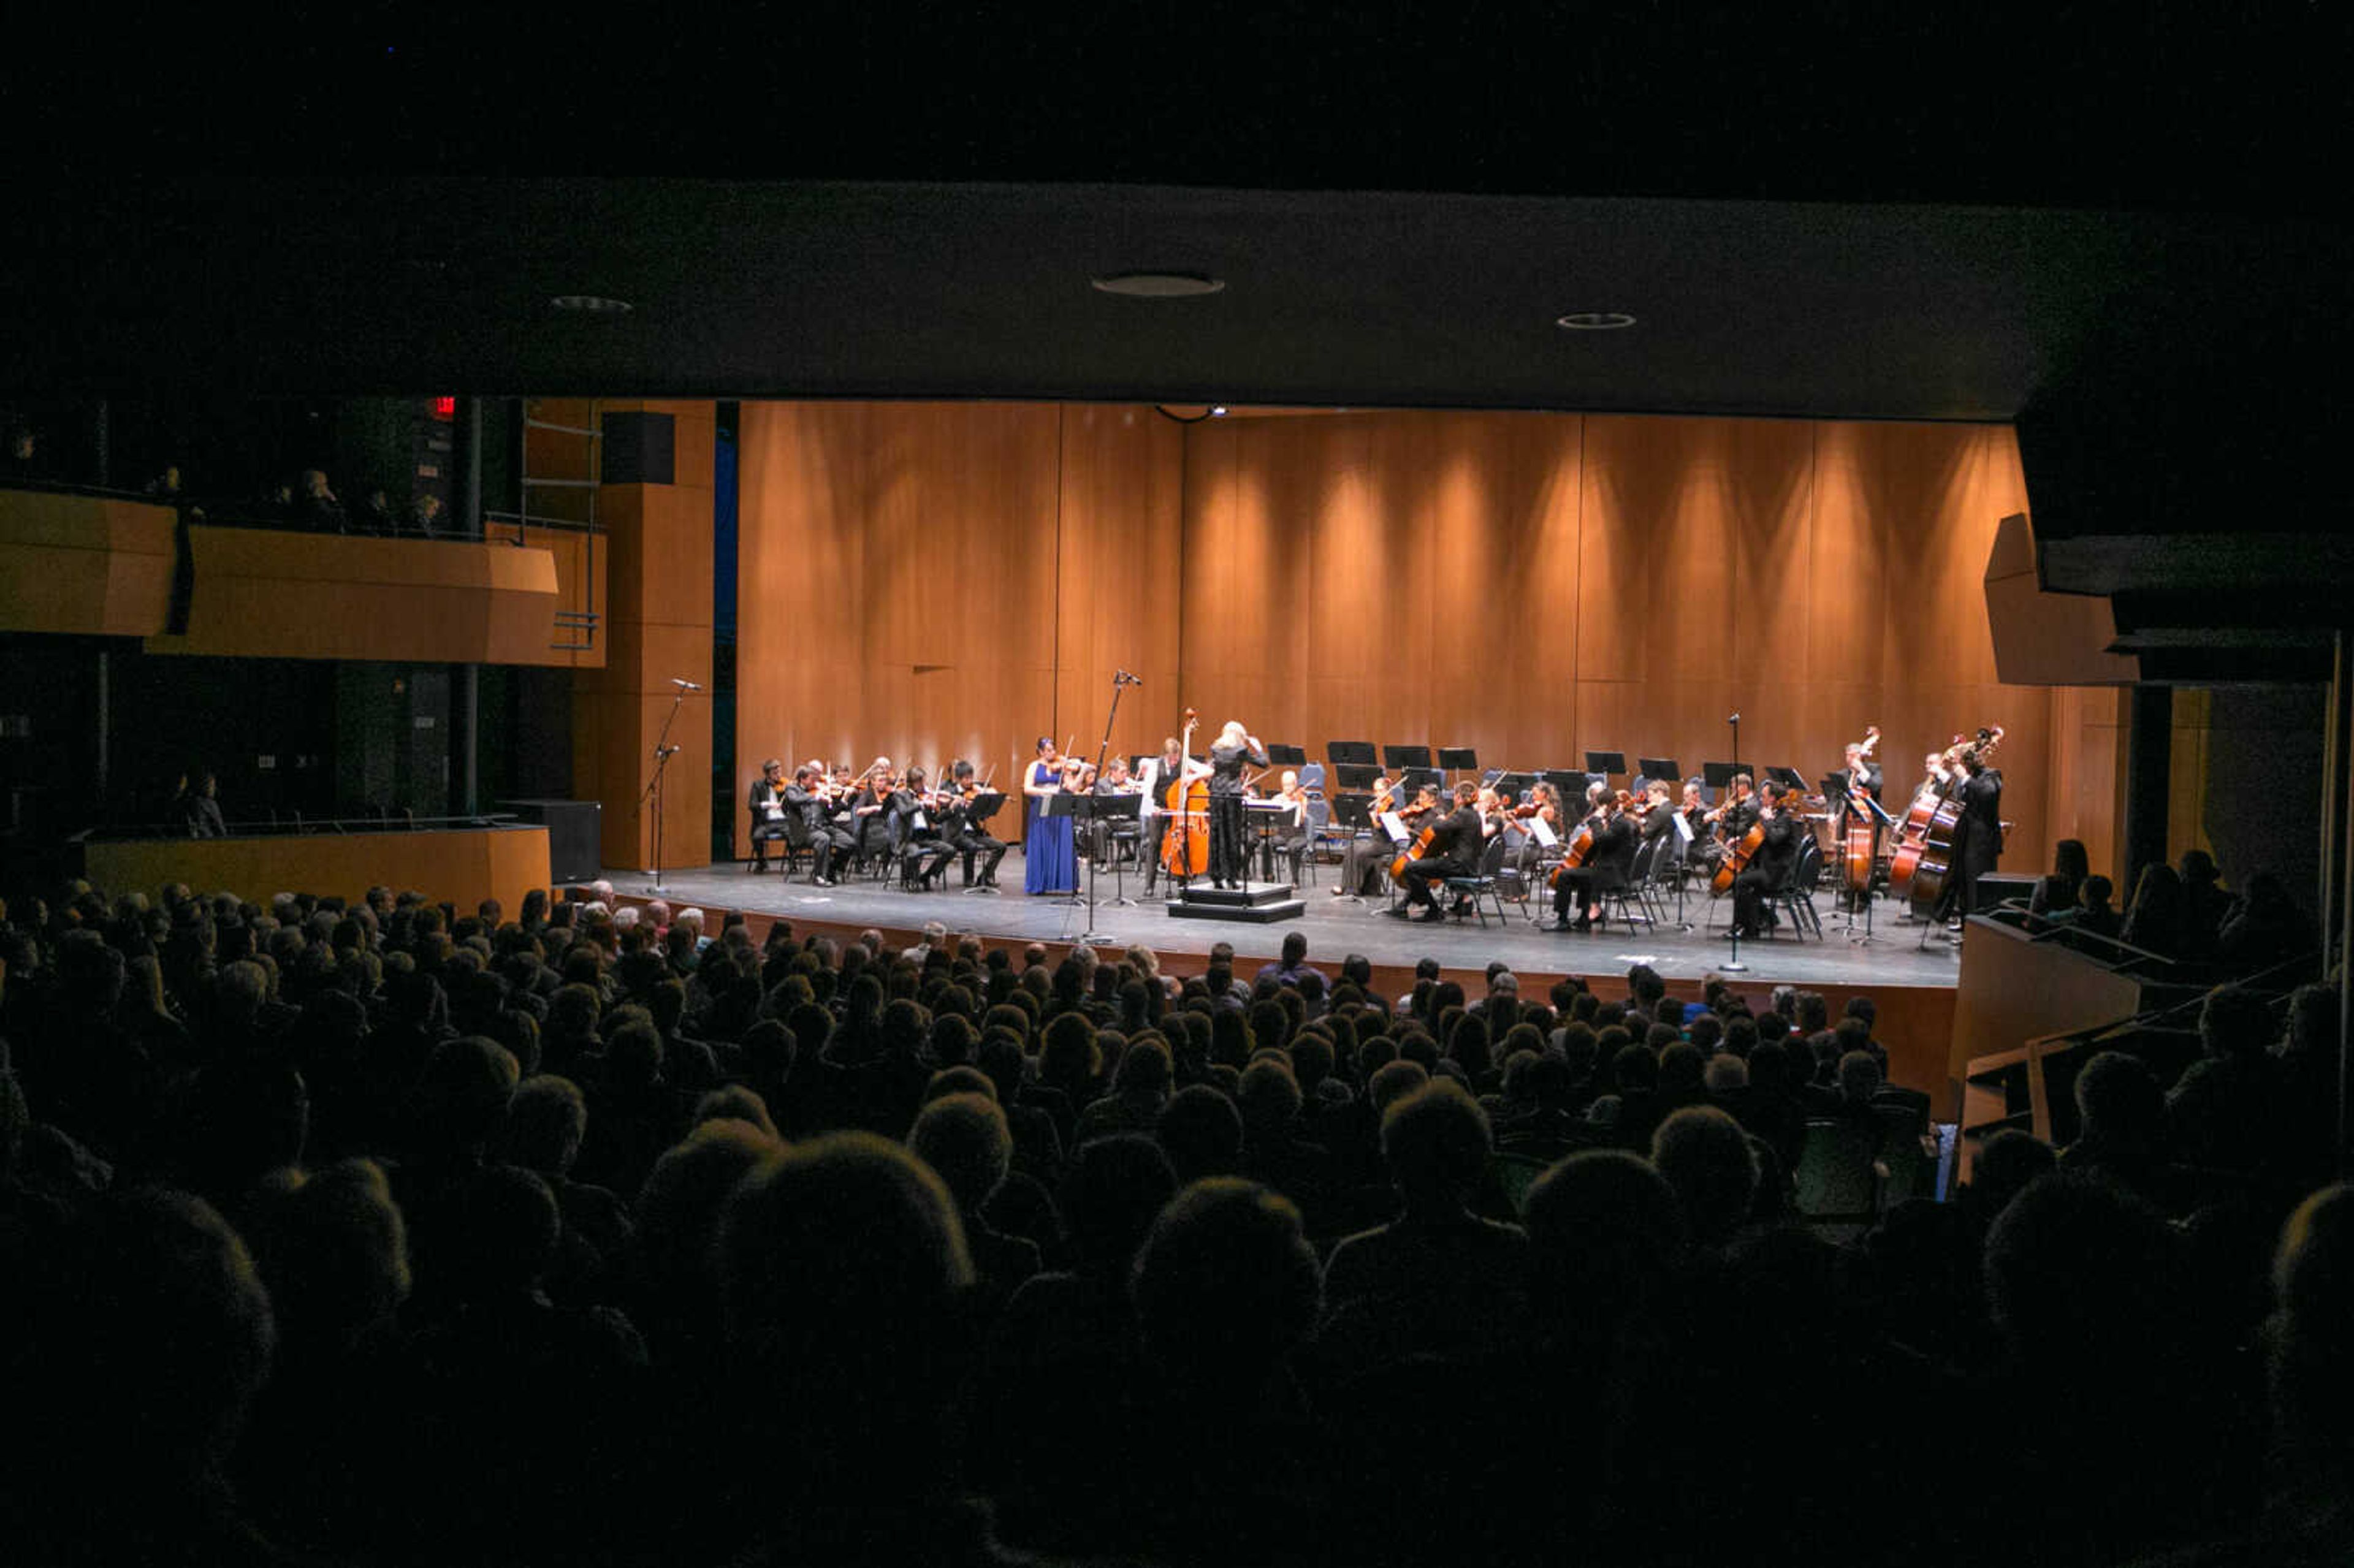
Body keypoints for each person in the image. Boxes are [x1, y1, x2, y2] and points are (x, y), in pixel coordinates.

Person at [1393, 780, 1481, 922]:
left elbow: (1437, 829)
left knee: (1410, 868)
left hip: (1457, 865)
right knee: (1421, 868)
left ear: (1459, 797)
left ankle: (1433, 909)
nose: (1454, 799)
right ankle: (1411, 903)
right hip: (1470, 865)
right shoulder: (1474, 815)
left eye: (1455, 796)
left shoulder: (1462, 815)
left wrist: (1440, 820)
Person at [1552, 790, 1637, 931]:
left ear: (1606, 807)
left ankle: (1563, 920)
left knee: (1564, 875)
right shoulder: (1616, 821)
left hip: (1612, 875)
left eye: (1599, 807)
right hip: (1609, 870)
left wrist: (1596, 820)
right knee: (1582, 871)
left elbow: (1601, 839)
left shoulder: (1620, 823)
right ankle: (1584, 918)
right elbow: (1601, 843)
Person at [1137, 733, 1208, 897]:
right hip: (1160, 808)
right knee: (1154, 844)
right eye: (1171, 759)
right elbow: (1146, 792)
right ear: (1165, 755)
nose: (1175, 762)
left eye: (1176, 759)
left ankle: (1183, 885)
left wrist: (1193, 776)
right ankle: (1149, 885)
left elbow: (1208, 770)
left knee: (1182, 844)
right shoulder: (1156, 766)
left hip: (1178, 810)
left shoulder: (1184, 762)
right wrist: (1153, 808)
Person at [1941, 745, 2003, 927]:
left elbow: (1988, 794)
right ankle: (1965, 928)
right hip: (1965, 838)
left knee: (1976, 886)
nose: (1957, 766)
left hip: (1982, 842)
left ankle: (1979, 930)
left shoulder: (1991, 775)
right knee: (1963, 885)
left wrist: (1965, 778)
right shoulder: (1965, 779)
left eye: (1959, 762)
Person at [1730, 780, 1801, 938]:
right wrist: (1741, 839)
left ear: (1773, 799)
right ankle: (1750, 926)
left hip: (1778, 874)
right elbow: (1759, 835)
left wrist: (1768, 820)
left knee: (1740, 882)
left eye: (1764, 796)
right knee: (1742, 880)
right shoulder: (1774, 815)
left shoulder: (1785, 818)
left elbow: (1775, 838)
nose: (1761, 799)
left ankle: (1745, 927)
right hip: (1768, 868)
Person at [1206, 720, 1270, 891]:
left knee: (1217, 835)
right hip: (1232, 795)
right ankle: (1233, 878)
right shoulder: (1240, 751)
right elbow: (1263, 763)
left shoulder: (1215, 748)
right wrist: (1259, 748)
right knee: (1233, 837)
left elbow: (1215, 771)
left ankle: (1216, 877)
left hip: (1216, 795)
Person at [1023, 737, 1078, 896]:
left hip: (1059, 805)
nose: (1052, 753)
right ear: (1040, 751)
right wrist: (1047, 791)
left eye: (1053, 749)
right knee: (1042, 842)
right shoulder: (1033, 766)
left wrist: (1081, 773)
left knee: (1061, 842)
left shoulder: (1062, 767)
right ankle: (1039, 883)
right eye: (1048, 750)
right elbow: (1027, 789)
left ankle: (1063, 882)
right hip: (1041, 806)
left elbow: (1072, 788)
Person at [942, 759, 1008, 890]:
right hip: (957, 835)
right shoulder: (951, 792)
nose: (970, 781)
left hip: (974, 833)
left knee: (1001, 846)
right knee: (972, 846)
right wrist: (955, 803)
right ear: (959, 779)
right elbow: (945, 812)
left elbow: (981, 818)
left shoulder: (975, 792)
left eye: (971, 778)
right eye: (967, 778)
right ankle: (969, 879)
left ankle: (985, 876)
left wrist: (983, 808)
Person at [785, 763, 853, 885]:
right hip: (805, 831)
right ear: (803, 779)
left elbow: (831, 812)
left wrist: (843, 801)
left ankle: (831, 870)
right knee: (823, 839)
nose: (815, 782)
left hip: (824, 827)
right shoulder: (792, 789)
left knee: (850, 844)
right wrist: (816, 796)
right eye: (812, 780)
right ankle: (819, 877)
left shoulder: (819, 791)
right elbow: (795, 800)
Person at [891, 766, 956, 891]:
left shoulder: (925, 796)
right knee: (914, 853)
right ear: (912, 782)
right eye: (919, 782)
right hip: (908, 838)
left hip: (924, 836)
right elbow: (903, 812)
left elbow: (936, 820)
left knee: (950, 850)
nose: (923, 785)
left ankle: (926, 876)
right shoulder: (900, 795)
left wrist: (951, 809)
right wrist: (920, 804)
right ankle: (911, 879)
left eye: (923, 781)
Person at [747, 758, 792, 872]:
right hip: (766, 822)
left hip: (783, 821)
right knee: (757, 837)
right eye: (775, 773)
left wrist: (791, 792)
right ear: (767, 774)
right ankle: (762, 862)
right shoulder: (758, 786)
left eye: (779, 772)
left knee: (794, 835)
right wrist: (768, 804)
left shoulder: (785, 786)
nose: (779, 776)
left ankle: (792, 863)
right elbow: (752, 805)